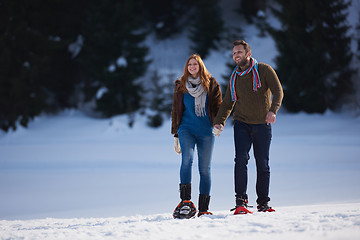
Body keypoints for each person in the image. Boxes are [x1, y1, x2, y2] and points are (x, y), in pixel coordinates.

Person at [213, 40, 283, 214]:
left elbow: (278, 91)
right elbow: (228, 102)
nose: (236, 55)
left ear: (248, 54)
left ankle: (263, 203)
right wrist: (219, 121)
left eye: (239, 52)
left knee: (263, 164)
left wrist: (273, 111)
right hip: (241, 123)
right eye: (234, 53)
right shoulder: (235, 76)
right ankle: (240, 201)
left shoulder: (264, 70)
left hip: (262, 124)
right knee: (241, 160)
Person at [171, 53, 222, 218]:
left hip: (206, 131)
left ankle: (204, 208)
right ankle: (185, 202)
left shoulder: (211, 84)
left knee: (205, 169)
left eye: (195, 64)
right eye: (190, 64)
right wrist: (175, 134)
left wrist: (219, 123)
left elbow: (218, 106)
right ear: (187, 67)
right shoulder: (181, 86)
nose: (192, 67)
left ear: (201, 66)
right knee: (187, 160)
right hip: (186, 129)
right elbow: (175, 111)